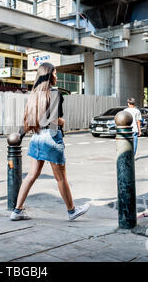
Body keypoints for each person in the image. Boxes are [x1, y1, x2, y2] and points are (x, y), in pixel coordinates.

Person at [10, 62, 90, 221]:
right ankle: (72, 210)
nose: (56, 75)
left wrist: (19, 137)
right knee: (61, 178)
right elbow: (54, 121)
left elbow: (28, 121)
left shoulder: (34, 95)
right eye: (55, 72)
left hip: (37, 137)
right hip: (51, 138)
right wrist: (63, 122)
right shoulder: (55, 94)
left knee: (31, 175)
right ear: (48, 75)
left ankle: (17, 211)